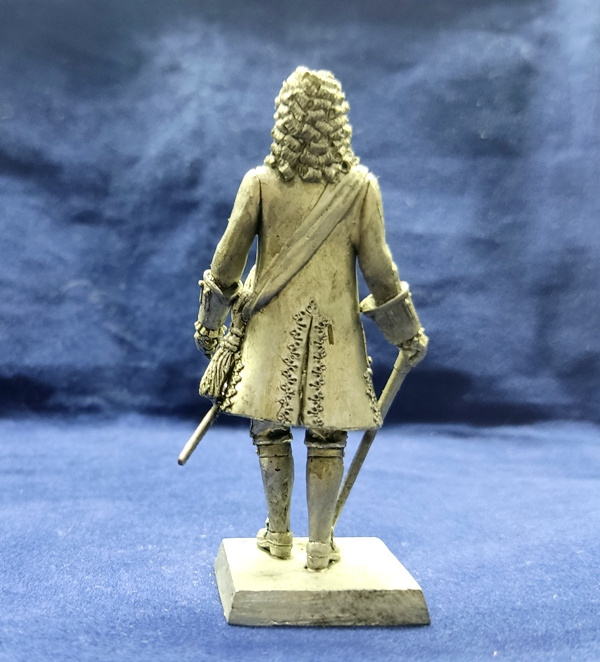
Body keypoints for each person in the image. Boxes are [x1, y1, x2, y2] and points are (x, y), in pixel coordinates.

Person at [194, 67, 427, 571]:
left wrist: (209, 324)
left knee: (269, 429)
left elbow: (226, 263)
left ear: (283, 119)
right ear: (338, 122)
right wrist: (407, 332)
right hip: (335, 337)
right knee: (329, 436)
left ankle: (279, 535)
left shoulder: (260, 184)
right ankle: (319, 545)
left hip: (269, 333)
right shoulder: (361, 188)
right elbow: (380, 270)